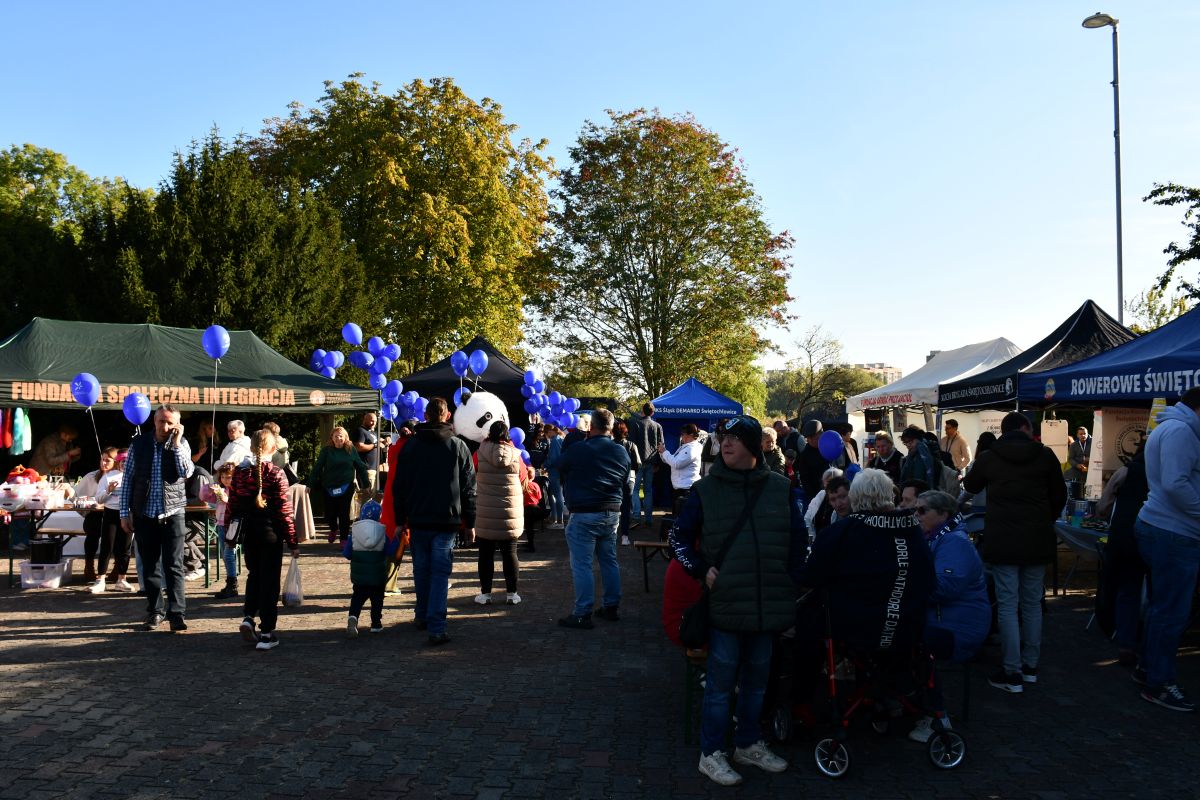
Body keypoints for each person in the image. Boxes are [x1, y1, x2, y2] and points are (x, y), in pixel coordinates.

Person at [669, 415, 805, 787]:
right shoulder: (704, 491)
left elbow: (797, 542)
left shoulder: (781, 488)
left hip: (768, 605)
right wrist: (701, 569)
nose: (725, 444)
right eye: (722, 438)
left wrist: (790, 581)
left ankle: (748, 744)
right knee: (719, 686)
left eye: (734, 438)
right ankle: (711, 753)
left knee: (758, 683)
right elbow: (677, 539)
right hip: (727, 604)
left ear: (753, 444)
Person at [962, 412, 1067, 694]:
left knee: (1008, 605)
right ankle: (1031, 667)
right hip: (1036, 539)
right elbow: (1060, 496)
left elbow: (970, 486)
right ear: (1025, 428)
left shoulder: (989, 457)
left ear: (1004, 431)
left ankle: (1012, 671)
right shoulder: (1045, 456)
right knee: (1032, 604)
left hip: (1003, 540)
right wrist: (1046, 518)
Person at [1132, 388, 1200, 711]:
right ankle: (1158, 682)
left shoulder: (1171, 428)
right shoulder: (1182, 432)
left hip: (1163, 529)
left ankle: (1149, 670)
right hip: (1173, 533)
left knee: (1162, 608)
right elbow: (1176, 485)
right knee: (1171, 612)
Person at [392, 397, 476, 646]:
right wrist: (470, 522)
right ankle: (436, 625)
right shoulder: (459, 447)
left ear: (426, 416)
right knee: (439, 573)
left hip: (419, 518)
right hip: (446, 519)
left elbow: (399, 486)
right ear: (447, 416)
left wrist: (399, 519)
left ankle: (423, 615)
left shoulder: (410, 447)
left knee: (422, 569)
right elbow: (470, 488)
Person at [910, 490, 990, 741]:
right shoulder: (934, 537)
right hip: (941, 618)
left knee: (908, 642)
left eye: (922, 510)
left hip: (958, 627)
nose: (916, 515)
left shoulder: (954, 542)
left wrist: (905, 585)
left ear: (943, 514)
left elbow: (943, 589)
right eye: (915, 509)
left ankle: (937, 716)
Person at [118, 405, 194, 633]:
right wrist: (124, 513)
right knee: (150, 567)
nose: (166, 426)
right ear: (154, 421)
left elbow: (186, 472)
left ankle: (177, 614)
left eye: (170, 422)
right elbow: (128, 479)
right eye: (162, 421)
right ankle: (155, 612)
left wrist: (178, 444)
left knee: (174, 566)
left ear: (178, 424)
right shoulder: (139, 444)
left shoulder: (182, 444)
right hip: (145, 514)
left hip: (173, 513)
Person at [557, 409, 629, 629]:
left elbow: (560, 465)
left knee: (582, 564)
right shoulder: (621, 451)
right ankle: (610, 606)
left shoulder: (580, 449)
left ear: (591, 427)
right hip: (612, 512)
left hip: (585, 513)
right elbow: (625, 477)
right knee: (609, 560)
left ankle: (582, 612)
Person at [227, 429, 298, 650]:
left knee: (254, 576)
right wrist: (293, 541)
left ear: (251, 447)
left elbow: (232, 504)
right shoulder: (276, 473)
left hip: (248, 532)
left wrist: (229, 533)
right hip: (270, 533)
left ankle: (248, 616)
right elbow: (285, 512)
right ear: (273, 448)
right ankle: (267, 632)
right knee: (269, 582)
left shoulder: (240, 473)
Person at [1094, 443, 1148, 668]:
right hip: (1156, 534)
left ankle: (1126, 644)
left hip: (1124, 536)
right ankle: (1147, 646)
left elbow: (1103, 506)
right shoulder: (1167, 471)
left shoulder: (1127, 470)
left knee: (1127, 589)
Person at [473, 421, 524, 606]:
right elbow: (524, 477)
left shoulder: (480, 453)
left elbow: (471, 474)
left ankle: (485, 595)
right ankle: (512, 594)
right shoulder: (516, 455)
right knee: (510, 553)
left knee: (485, 555)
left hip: (486, 512)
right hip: (510, 513)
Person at [306, 426, 369, 544]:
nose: (338, 438)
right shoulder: (326, 450)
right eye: (336, 436)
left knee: (344, 513)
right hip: (328, 486)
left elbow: (360, 466)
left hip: (346, 486)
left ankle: (344, 538)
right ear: (332, 438)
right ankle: (333, 529)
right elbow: (317, 467)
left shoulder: (351, 449)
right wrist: (310, 484)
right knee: (330, 513)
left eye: (341, 436)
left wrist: (366, 484)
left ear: (345, 438)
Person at [343, 501, 398, 636]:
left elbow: (347, 554)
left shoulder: (354, 533)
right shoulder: (382, 533)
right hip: (378, 577)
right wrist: (396, 538)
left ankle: (353, 617)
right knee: (377, 601)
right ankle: (376, 624)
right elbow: (390, 552)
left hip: (360, 577)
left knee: (357, 598)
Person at [74, 447, 118, 584]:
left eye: (108, 460)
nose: (103, 463)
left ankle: (118, 568)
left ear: (116, 462)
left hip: (115, 515)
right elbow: (76, 500)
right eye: (102, 460)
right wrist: (92, 503)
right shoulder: (91, 477)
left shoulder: (122, 477)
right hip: (95, 516)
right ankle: (89, 565)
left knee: (118, 535)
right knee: (92, 529)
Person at [202, 462, 239, 599]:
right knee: (225, 554)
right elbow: (204, 496)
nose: (225, 480)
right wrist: (211, 488)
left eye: (228, 477)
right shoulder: (221, 490)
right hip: (221, 524)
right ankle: (231, 583)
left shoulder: (237, 491)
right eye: (223, 477)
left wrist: (226, 499)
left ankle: (232, 585)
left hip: (232, 526)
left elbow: (236, 505)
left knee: (229, 555)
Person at [627, 402, 664, 528]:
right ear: (652, 413)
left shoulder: (635, 423)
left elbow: (631, 444)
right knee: (648, 491)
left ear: (642, 411)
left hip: (637, 462)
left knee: (635, 490)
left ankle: (637, 516)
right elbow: (661, 446)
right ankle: (648, 518)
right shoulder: (657, 426)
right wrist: (658, 462)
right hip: (651, 461)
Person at [657, 423, 703, 510]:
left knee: (682, 517)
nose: (681, 436)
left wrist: (664, 452)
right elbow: (672, 460)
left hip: (686, 489)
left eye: (683, 434)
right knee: (677, 515)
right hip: (681, 487)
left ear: (691, 435)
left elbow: (677, 464)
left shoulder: (691, 449)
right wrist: (662, 452)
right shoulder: (685, 447)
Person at [612, 420, 641, 545]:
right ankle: (625, 536)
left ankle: (611, 534)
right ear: (625, 431)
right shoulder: (631, 445)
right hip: (629, 478)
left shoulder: (609, 445)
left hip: (612, 478)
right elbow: (638, 464)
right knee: (625, 508)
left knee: (611, 507)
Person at [958, 432, 996, 512]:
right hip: (996, 507)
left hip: (979, 506)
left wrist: (958, 502)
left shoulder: (977, 462)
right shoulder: (1000, 461)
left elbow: (970, 489)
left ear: (980, 445)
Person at [795, 420, 829, 505]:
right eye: (808, 437)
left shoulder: (831, 446)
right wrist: (813, 499)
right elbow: (805, 479)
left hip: (835, 492)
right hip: (817, 497)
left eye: (813, 436)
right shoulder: (805, 455)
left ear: (821, 434)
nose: (810, 440)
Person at [803, 467, 844, 534]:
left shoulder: (843, 500)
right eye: (828, 482)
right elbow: (808, 518)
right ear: (824, 483)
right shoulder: (821, 495)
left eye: (835, 481)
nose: (831, 485)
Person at [351, 412, 382, 492]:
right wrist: (375, 445)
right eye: (371, 421)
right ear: (365, 420)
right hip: (366, 469)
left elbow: (377, 441)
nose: (374, 423)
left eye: (375, 421)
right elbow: (359, 447)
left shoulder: (371, 432)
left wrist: (385, 440)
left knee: (372, 495)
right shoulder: (360, 431)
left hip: (373, 469)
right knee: (368, 496)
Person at [544, 424, 567, 527]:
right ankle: (557, 518)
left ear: (549, 431)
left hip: (554, 471)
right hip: (561, 471)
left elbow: (553, 458)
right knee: (558, 495)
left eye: (546, 433)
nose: (546, 436)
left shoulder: (554, 441)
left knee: (556, 495)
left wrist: (545, 465)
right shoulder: (561, 438)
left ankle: (558, 519)